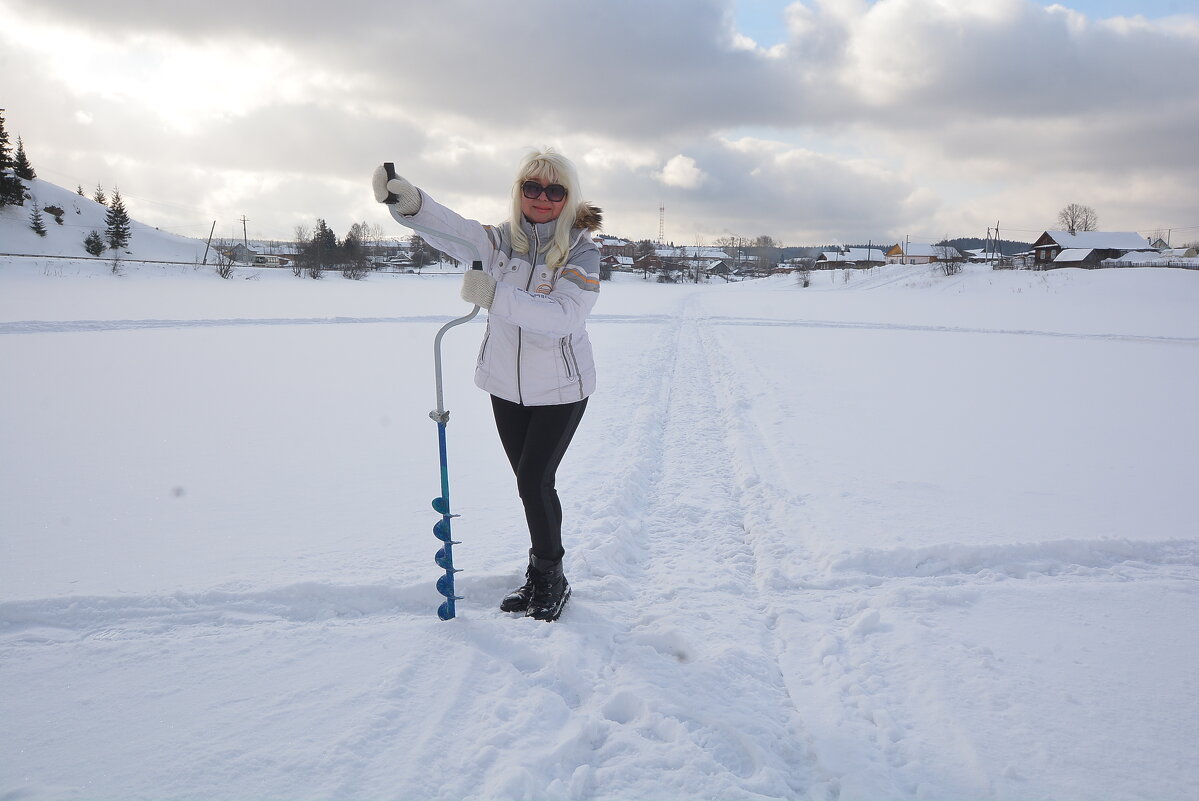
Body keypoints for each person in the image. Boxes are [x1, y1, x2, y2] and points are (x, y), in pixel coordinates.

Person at [372, 148, 602, 622]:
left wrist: (496, 295)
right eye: (531, 187)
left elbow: (564, 317)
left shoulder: (582, 252)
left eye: (555, 190)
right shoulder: (500, 242)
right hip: (505, 385)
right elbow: (454, 230)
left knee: (534, 481)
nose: (542, 198)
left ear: (568, 198)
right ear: (519, 191)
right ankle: (541, 572)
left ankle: (551, 578)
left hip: (561, 389)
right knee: (528, 484)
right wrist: (410, 202)